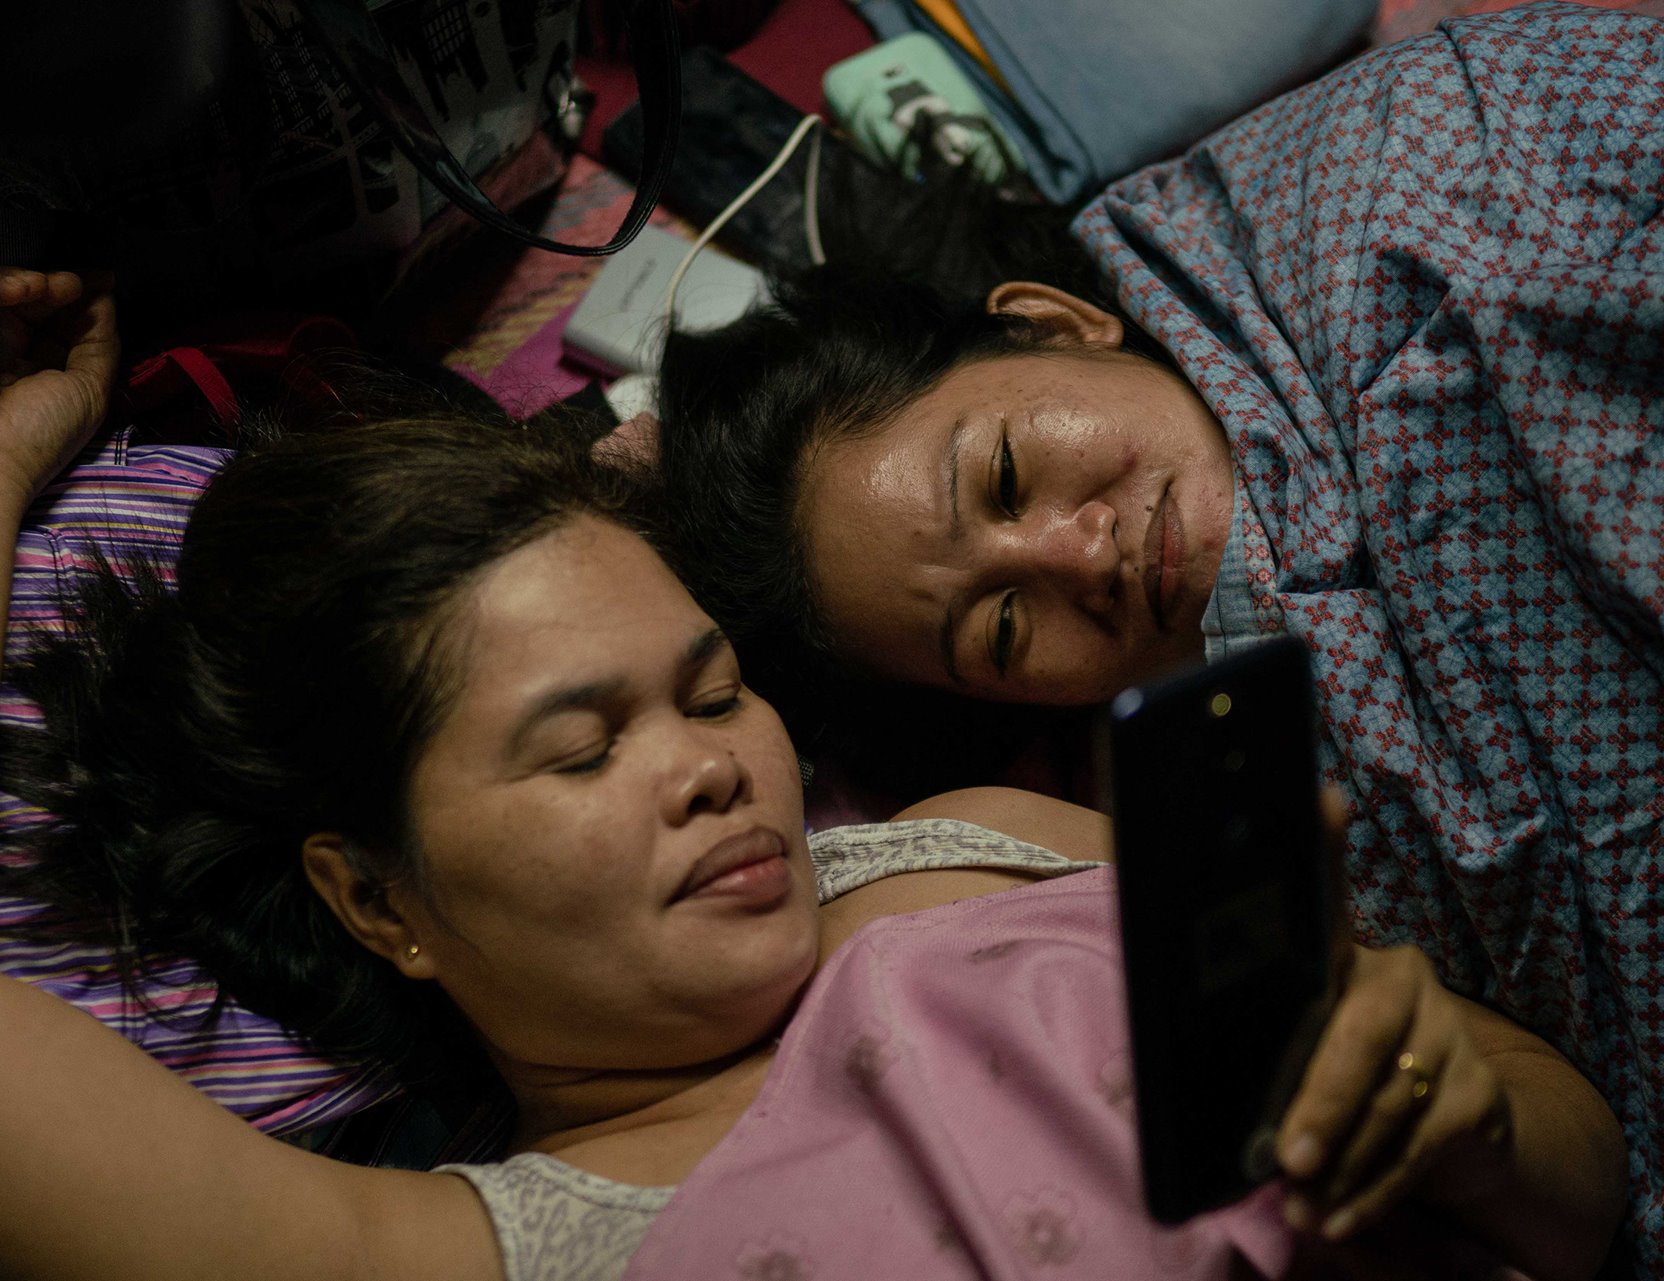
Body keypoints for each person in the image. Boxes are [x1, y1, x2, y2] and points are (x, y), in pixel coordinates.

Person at [0, 269, 1629, 1281]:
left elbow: (1581, 1176)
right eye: (585, 745)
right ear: (379, 898)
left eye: (716, 691)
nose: (714, 773)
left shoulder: (1007, 846)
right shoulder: (452, 1255)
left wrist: (1463, 1108)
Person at [646, 3, 1664, 1261]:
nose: (1083, 557)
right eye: (1004, 628)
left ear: (1051, 322)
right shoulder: (1226, 822)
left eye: (1010, 474)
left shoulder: (1416, 168)